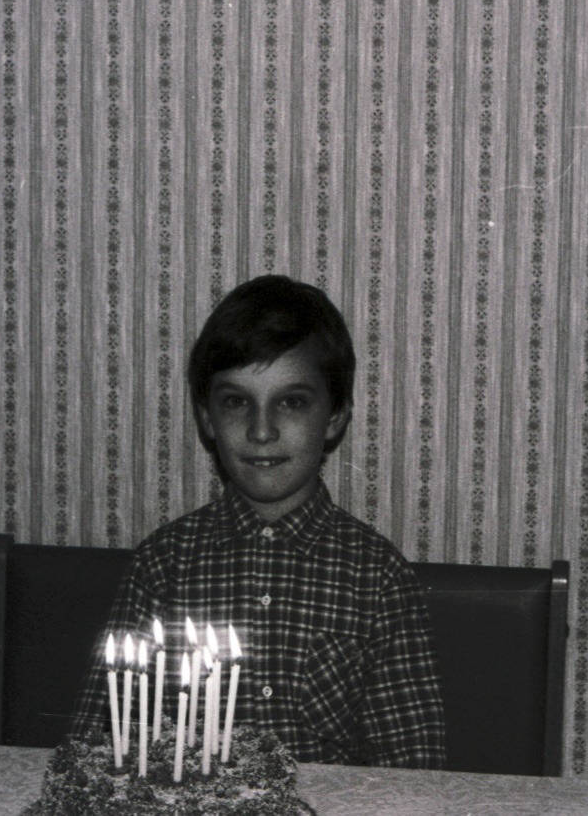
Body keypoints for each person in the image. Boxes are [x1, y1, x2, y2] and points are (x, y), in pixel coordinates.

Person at [69, 274, 447, 768]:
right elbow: (97, 745)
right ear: (206, 417)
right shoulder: (163, 566)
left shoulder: (378, 578)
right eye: (236, 402)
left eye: (291, 402)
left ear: (335, 416)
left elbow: (415, 769)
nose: (261, 430)